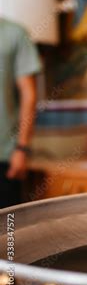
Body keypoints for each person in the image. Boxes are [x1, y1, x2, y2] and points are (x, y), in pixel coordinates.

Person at [0, 18, 41, 208]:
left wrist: (22, 148)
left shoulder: (14, 33)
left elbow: (29, 94)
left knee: (10, 232)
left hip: (5, 155)